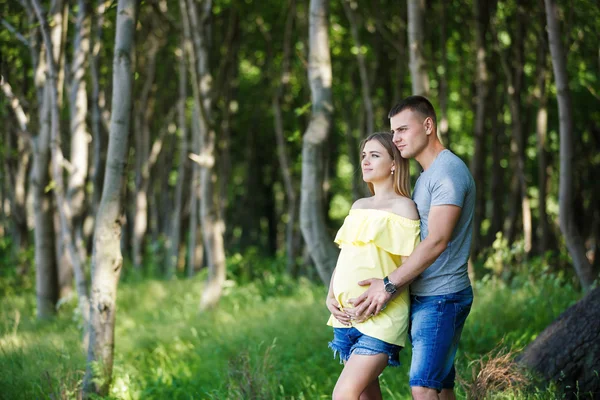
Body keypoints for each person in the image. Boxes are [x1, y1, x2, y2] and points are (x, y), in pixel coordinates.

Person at [347, 96, 475, 400]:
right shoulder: (425, 177)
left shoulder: (447, 171)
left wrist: (388, 285)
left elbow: (438, 240)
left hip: (442, 296)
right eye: (393, 132)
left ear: (428, 125)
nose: (396, 139)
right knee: (441, 386)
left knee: (422, 386)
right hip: (427, 295)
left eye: (403, 130)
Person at [326, 132, 420, 400]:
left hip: (381, 318)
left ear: (394, 163)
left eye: (375, 155)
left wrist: (382, 298)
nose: (365, 161)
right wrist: (330, 296)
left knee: (343, 395)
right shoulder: (358, 206)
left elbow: (410, 269)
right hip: (345, 318)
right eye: (364, 155)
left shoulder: (404, 208)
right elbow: (345, 257)